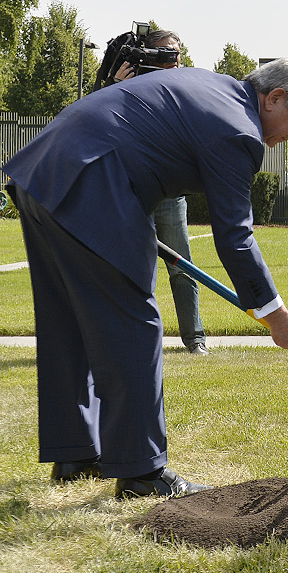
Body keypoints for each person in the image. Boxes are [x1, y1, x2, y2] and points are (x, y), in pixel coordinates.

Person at [5, 58, 288, 499]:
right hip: (94, 182)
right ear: (274, 98)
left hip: (43, 173)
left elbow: (150, 144)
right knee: (134, 325)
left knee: (68, 320)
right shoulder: (239, 130)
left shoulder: (212, 89)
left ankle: (75, 452)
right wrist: (276, 316)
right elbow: (235, 238)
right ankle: (142, 472)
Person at [108, 28, 210, 357]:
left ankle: (195, 340)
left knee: (183, 268)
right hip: (136, 193)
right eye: (166, 52)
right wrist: (117, 87)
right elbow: (108, 124)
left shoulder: (183, 87)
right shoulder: (128, 87)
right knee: (135, 269)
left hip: (171, 193)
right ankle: (137, 340)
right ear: (149, 55)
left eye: (177, 52)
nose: (174, 58)